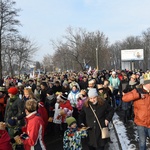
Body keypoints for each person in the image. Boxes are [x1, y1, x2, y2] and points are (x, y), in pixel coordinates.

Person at [122, 80, 150, 150]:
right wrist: (138, 95)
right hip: (141, 123)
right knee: (142, 143)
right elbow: (124, 98)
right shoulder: (137, 91)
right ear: (146, 85)